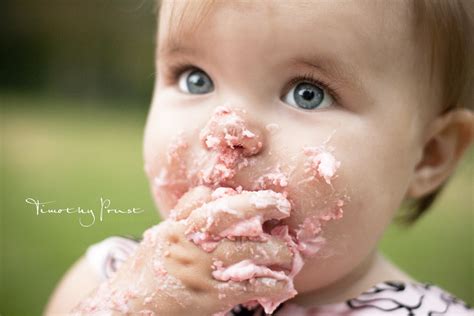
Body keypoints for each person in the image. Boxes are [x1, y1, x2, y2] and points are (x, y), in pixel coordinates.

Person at [45, 0, 474, 315]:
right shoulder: (104, 280)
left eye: (308, 94)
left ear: (428, 156)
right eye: (195, 79)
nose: (226, 132)